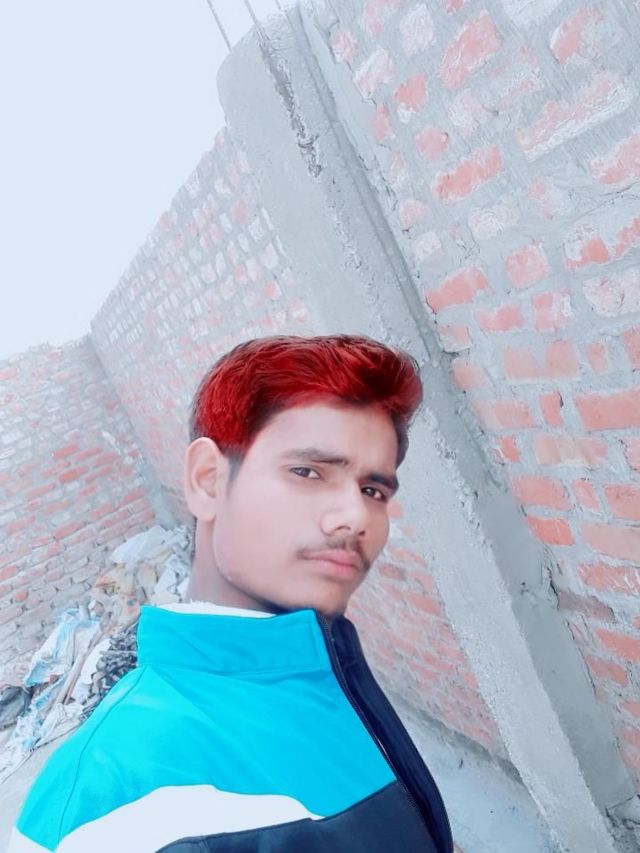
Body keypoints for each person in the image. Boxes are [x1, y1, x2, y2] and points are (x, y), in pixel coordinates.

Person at [8, 334, 453, 852]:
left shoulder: (323, 674)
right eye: (308, 472)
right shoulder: (108, 807)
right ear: (207, 481)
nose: (356, 516)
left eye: (373, 490)